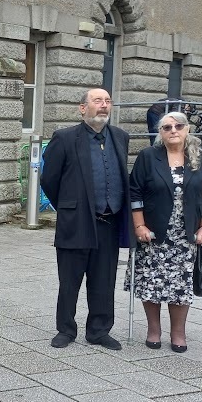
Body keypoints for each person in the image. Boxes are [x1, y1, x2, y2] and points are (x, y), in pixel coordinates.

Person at [41, 88, 131, 350]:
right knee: (69, 280)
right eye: (97, 101)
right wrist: (69, 207)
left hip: (109, 222)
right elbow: (49, 180)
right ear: (82, 108)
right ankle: (66, 329)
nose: (103, 106)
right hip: (77, 222)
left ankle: (99, 330)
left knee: (104, 280)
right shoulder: (65, 138)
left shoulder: (120, 137)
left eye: (107, 101)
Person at [126, 111, 202, 353]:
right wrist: (139, 225)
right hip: (153, 232)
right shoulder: (148, 156)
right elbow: (134, 193)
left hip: (186, 233)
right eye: (167, 127)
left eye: (178, 126)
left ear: (188, 129)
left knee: (181, 286)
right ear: (160, 133)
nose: (173, 130)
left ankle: (178, 332)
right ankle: (153, 330)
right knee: (151, 283)